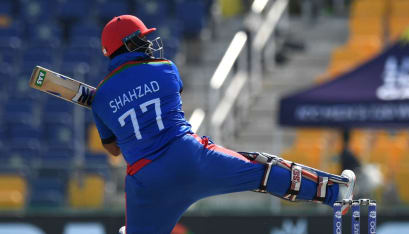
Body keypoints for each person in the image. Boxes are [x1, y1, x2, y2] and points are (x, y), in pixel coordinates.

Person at [93, 15, 356, 234]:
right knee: (262, 171)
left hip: (146, 181)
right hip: (189, 158)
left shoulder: (100, 98)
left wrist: (110, 107)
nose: (148, 44)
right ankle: (335, 193)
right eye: (141, 39)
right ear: (128, 45)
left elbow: (114, 149)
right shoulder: (164, 68)